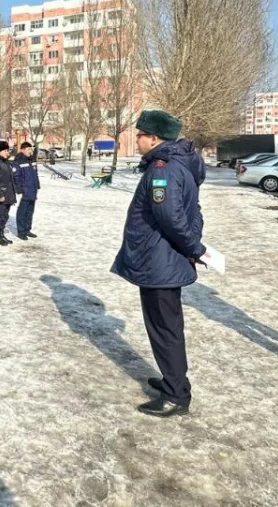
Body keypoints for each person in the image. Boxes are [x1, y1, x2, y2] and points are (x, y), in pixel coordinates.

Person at [111, 110, 205, 418]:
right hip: (164, 259)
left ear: (154, 138)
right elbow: (194, 212)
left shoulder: (162, 169)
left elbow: (172, 217)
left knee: (165, 329)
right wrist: (192, 245)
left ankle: (176, 393)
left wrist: (194, 247)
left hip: (159, 261)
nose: (136, 140)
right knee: (167, 327)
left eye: (139, 135)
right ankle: (172, 381)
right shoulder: (180, 165)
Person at [0, 141, 18, 246]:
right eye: (5, 150)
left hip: (8, 194)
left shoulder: (6, 162)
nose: (8, 152)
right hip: (1, 195)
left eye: (8, 150)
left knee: (5, 216)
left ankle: (1, 234)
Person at [13, 142, 41, 240]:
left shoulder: (32, 160)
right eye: (28, 149)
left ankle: (27, 229)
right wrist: (20, 189)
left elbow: (35, 174)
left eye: (30, 149)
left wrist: (37, 185)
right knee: (22, 212)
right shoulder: (18, 161)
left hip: (32, 189)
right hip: (25, 190)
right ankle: (21, 231)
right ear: (23, 150)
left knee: (30, 211)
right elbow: (16, 177)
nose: (30, 151)